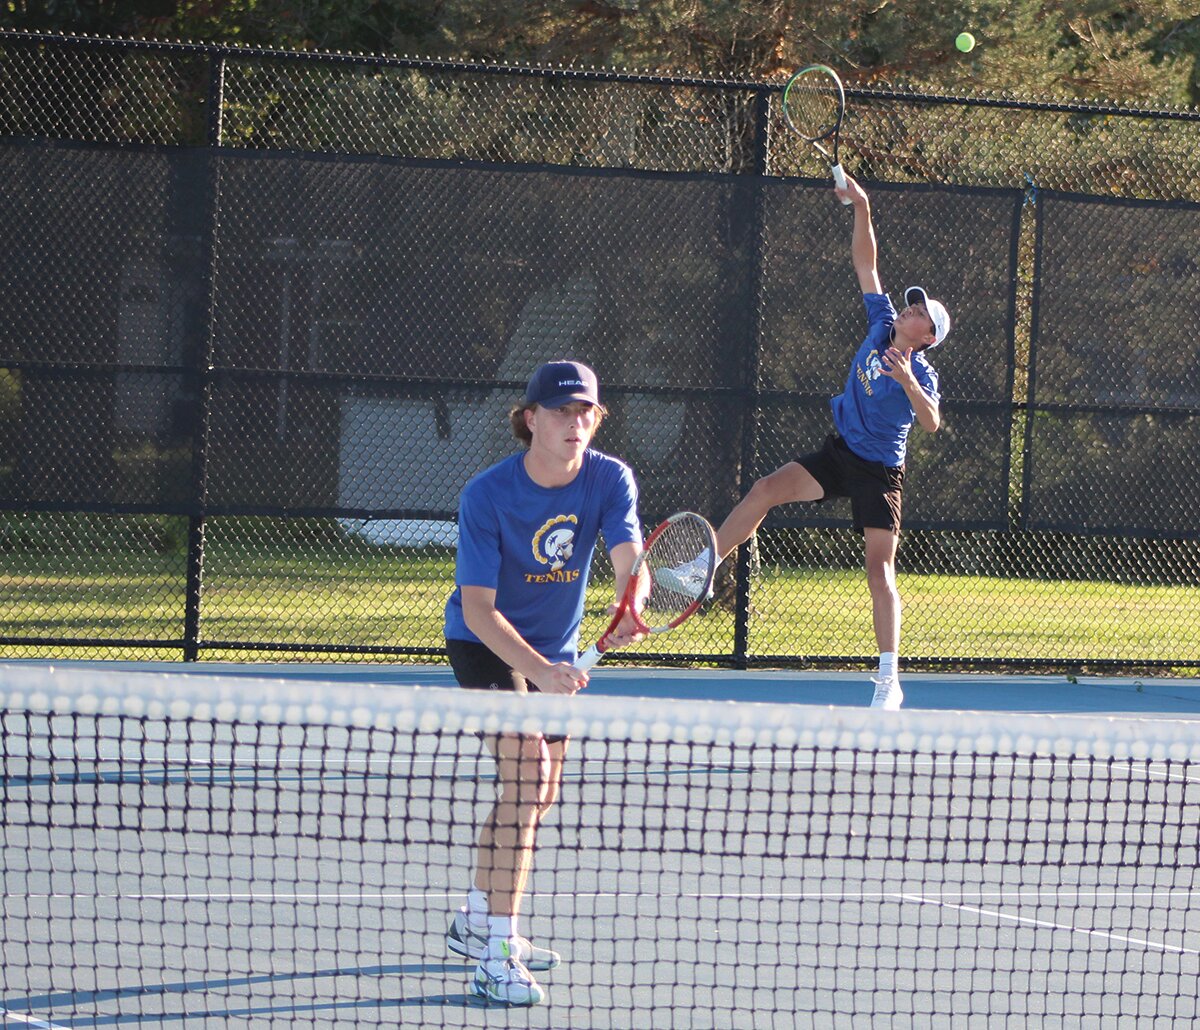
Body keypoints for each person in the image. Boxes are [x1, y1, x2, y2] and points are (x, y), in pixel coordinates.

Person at [659, 175, 949, 711]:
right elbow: (867, 263)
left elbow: (931, 423)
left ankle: (889, 679)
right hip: (840, 452)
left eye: (920, 314)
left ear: (928, 336)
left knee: (878, 569)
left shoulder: (923, 373)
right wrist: (860, 205)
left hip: (880, 472)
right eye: (911, 307)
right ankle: (705, 566)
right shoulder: (881, 324)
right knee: (766, 489)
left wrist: (907, 381)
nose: (909, 311)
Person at [443, 359, 645, 1006]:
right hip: (483, 645)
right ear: (530, 419)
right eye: (561, 411)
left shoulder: (610, 478)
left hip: (554, 654)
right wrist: (541, 674)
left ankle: (477, 915)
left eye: (586, 411)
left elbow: (629, 557)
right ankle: (499, 955)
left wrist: (630, 602)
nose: (576, 422)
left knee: (538, 792)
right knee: (528, 776)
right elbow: (478, 609)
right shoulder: (486, 494)